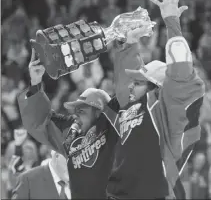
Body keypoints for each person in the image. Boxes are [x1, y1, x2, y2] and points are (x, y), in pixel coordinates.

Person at [17, 10, 149, 198]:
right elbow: (39, 123)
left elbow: (129, 92)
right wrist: (35, 82)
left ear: (100, 112)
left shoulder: (114, 126)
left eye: (82, 109)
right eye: (76, 108)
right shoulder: (70, 132)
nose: (76, 113)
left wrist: (128, 45)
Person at [104, 0, 205, 199]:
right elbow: (125, 84)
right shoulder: (132, 107)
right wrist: (129, 45)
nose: (131, 86)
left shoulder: (168, 118)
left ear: (158, 91)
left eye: (140, 82)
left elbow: (181, 79)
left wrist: (172, 23)